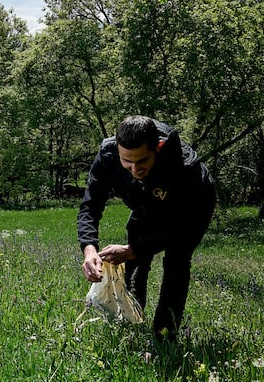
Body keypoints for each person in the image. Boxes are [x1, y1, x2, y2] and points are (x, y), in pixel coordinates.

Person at [78, 115, 216, 339]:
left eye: (142, 161)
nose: (134, 169)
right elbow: (90, 206)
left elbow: (178, 229)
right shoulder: (107, 154)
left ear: (158, 148)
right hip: (144, 203)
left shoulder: (185, 169)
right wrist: (89, 248)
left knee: (176, 262)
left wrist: (134, 249)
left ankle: (164, 334)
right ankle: (132, 320)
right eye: (127, 162)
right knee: (134, 261)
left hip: (190, 210)